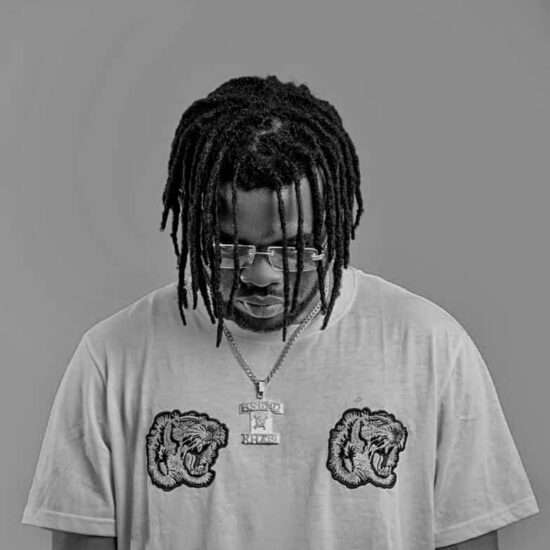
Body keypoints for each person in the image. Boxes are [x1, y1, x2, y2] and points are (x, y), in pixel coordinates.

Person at [22, 75, 538, 550]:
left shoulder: (431, 348)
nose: (261, 274)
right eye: (229, 246)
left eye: (292, 248)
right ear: (193, 226)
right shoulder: (111, 359)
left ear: (334, 224)